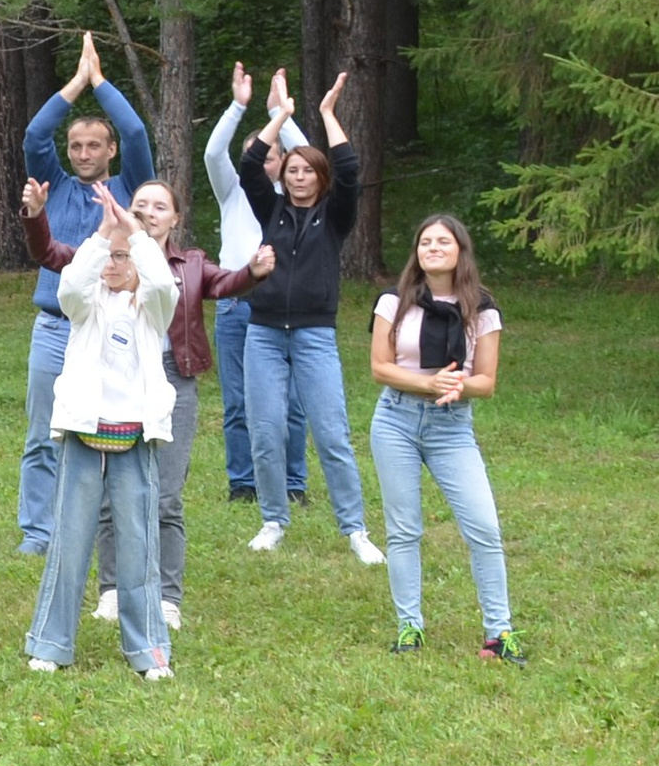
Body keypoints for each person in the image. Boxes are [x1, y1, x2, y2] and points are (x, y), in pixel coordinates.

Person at [29, 175, 271, 629]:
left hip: (170, 382)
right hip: (110, 390)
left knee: (165, 497)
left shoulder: (186, 265)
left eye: (161, 206)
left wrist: (253, 273)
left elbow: (218, 284)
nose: (150, 212)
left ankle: (166, 597)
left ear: (175, 218)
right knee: (106, 496)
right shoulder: (104, 264)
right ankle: (113, 591)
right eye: (141, 204)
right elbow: (54, 258)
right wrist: (45, 217)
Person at [24, 186, 178, 679]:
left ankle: (150, 650)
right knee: (70, 541)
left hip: (135, 439)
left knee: (138, 545)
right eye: (107, 258)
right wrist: (101, 234)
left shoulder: (153, 311)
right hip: (83, 436)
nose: (113, 265)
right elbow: (69, 283)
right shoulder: (84, 307)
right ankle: (50, 644)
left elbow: (164, 284)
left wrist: (133, 233)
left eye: (122, 259)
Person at [235, 68, 385, 565]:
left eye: (307, 172)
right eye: (292, 171)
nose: (298, 177)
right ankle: (274, 520)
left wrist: (324, 113)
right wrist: (280, 114)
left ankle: (356, 530)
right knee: (266, 430)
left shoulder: (336, 216)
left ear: (320, 180)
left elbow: (349, 167)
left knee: (331, 432)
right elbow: (250, 163)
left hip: (315, 335)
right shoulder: (269, 210)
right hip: (263, 334)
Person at [18, 32, 155, 554]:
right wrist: (75, 84)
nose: (82, 153)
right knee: (42, 433)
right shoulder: (51, 181)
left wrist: (100, 81)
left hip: (111, 327)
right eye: (75, 145)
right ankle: (37, 533)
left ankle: (103, 527)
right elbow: (35, 135)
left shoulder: (129, 188)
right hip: (54, 327)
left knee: (107, 429)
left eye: (93, 144)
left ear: (110, 150)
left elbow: (138, 132)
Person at [369, 213, 520, 662]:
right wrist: (429, 382)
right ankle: (409, 627)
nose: (432, 248)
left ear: (460, 251)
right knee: (404, 529)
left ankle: (499, 633)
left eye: (443, 241)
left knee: (484, 528)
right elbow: (381, 367)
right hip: (395, 420)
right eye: (424, 241)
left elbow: (486, 381)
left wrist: (456, 386)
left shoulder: (482, 308)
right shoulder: (394, 301)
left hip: (452, 427)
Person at [204, 62, 309, 509]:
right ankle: (243, 483)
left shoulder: (296, 198)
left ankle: (293, 484)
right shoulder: (231, 191)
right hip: (235, 305)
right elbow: (213, 154)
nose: (262, 161)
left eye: (270, 155)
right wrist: (238, 106)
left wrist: (280, 114)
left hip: (284, 306)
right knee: (239, 404)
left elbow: (307, 154)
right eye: (256, 154)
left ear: (282, 161)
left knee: (291, 404)